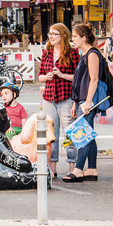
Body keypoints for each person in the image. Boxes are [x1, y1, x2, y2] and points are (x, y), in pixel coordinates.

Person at [38, 23, 80, 178]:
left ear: (63, 35)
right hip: (49, 97)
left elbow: (78, 77)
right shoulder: (47, 52)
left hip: (66, 96)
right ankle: (52, 168)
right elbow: (40, 76)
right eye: (49, 34)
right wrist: (47, 77)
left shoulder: (72, 53)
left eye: (54, 34)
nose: (51, 37)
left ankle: (72, 166)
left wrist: (62, 75)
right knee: (51, 134)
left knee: (69, 132)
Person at [65, 24, 103, 183]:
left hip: (89, 100)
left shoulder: (92, 54)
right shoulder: (84, 54)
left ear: (83, 38)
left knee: (83, 134)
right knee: (88, 133)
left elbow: (94, 79)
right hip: (81, 99)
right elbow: (80, 81)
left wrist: (87, 102)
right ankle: (92, 168)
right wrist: (75, 102)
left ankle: (78, 169)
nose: (72, 39)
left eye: (74, 36)